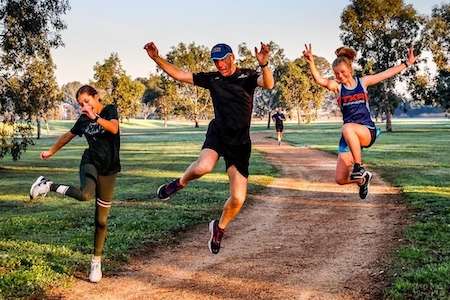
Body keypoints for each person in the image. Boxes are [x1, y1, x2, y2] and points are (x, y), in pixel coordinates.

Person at [144, 41, 274, 254]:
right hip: (219, 133)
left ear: (232, 57)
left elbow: (268, 84)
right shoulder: (212, 79)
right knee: (204, 166)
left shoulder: (247, 76)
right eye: (216, 61)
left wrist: (264, 64)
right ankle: (179, 183)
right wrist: (156, 58)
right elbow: (180, 74)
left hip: (240, 142)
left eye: (223, 59)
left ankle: (219, 228)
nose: (220, 64)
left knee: (239, 198)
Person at [29, 85, 120, 283]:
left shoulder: (109, 110)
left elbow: (114, 128)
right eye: (80, 104)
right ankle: (48, 185)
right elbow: (67, 136)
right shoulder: (83, 120)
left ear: (96, 97)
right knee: (85, 194)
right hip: (90, 162)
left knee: (101, 221)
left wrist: (95, 117)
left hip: (110, 169)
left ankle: (96, 262)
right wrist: (51, 151)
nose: (84, 106)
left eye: (87, 101)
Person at [303, 44, 416, 199]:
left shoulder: (363, 82)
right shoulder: (338, 88)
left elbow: (386, 74)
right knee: (340, 179)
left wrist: (407, 63)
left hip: (366, 131)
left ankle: (359, 166)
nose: (340, 76)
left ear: (350, 70)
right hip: (349, 137)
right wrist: (311, 62)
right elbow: (319, 80)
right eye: (336, 74)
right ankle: (363, 180)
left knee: (347, 127)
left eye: (342, 72)